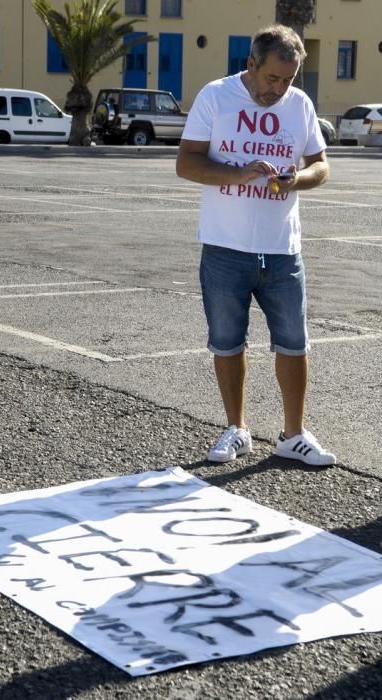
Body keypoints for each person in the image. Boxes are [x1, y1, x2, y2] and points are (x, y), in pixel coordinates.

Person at [176, 24, 336, 467]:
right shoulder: (216, 96)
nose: (280, 88)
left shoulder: (299, 105)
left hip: (283, 248)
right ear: (251, 64)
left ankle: (294, 435)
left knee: (294, 341)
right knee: (227, 341)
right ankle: (236, 429)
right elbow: (186, 163)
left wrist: (296, 181)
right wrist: (238, 173)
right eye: (273, 79)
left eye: (289, 79)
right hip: (225, 247)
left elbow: (320, 165)